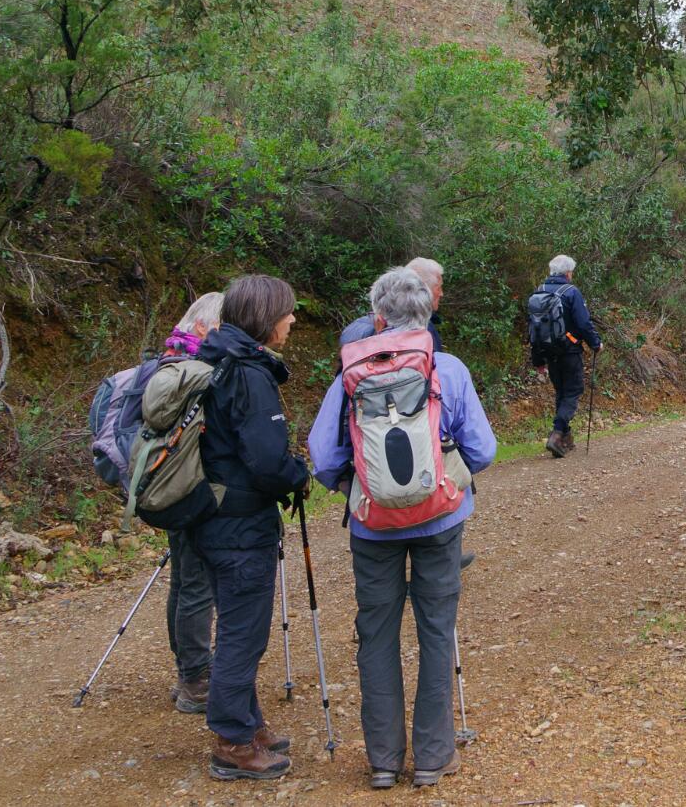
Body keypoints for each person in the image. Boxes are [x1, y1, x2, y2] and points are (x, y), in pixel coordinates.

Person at [308, 266, 497, 790]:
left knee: (376, 634)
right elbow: (483, 449)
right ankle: (434, 757)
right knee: (436, 629)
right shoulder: (447, 368)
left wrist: (359, 487)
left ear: (377, 317)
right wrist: (445, 480)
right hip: (440, 520)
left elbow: (323, 455)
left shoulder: (351, 371)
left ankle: (384, 761)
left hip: (373, 528)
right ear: (428, 312)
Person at [192, 274, 312, 782]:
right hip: (240, 525)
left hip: (210, 517)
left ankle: (248, 724)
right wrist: (298, 474)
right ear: (266, 317)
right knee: (243, 634)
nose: (292, 319)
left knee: (237, 627)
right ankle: (233, 743)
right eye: (287, 311)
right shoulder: (248, 372)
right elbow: (266, 461)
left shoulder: (214, 359)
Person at [163, 292, 224, 715]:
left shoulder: (169, 361)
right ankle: (195, 679)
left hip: (168, 486)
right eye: (220, 326)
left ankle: (188, 670)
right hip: (191, 487)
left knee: (184, 580)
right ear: (201, 326)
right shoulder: (195, 369)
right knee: (197, 582)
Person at [528, 254, 601, 458]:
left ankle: (565, 438)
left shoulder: (539, 291)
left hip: (548, 352)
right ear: (568, 273)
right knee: (573, 391)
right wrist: (596, 343)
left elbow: (533, 329)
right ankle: (557, 433)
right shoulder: (571, 292)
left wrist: (538, 360)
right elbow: (583, 323)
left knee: (561, 392)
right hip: (569, 351)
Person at [340, 256, 445, 354]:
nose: (441, 293)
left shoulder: (355, 328)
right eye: (438, 287)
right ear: (419, 287)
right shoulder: (423, 330)